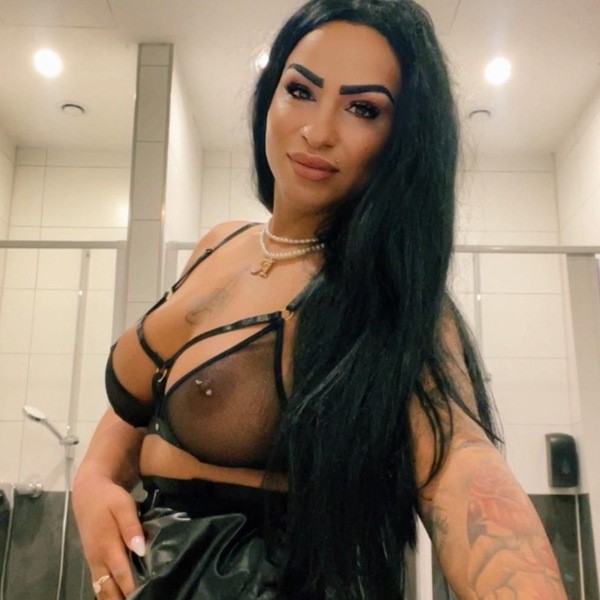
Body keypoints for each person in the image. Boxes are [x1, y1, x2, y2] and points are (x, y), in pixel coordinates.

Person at [73, 0, 568, 598]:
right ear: (270, 96)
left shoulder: (386, 297)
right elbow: (144, 401)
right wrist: (93, 478)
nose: (318, 130)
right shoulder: (217, 243)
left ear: (400, 140)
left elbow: (461, 463)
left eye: (363, 108)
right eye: (301, 90)